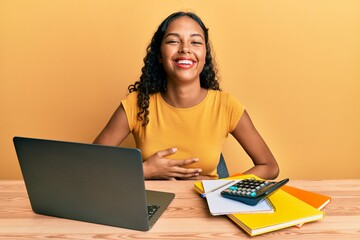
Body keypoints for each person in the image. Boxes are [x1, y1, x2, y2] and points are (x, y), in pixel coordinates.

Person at [93, 11, 279, 180]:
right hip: (152, 207)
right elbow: (90, 164)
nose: (185, 49)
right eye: (174, 41)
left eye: (196, 42)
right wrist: (144, 171)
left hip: (208, 210)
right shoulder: (137, 104)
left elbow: (269, 166)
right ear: (159, 54)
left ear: (205, 54)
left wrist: (220, 186)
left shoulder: (225, 105)